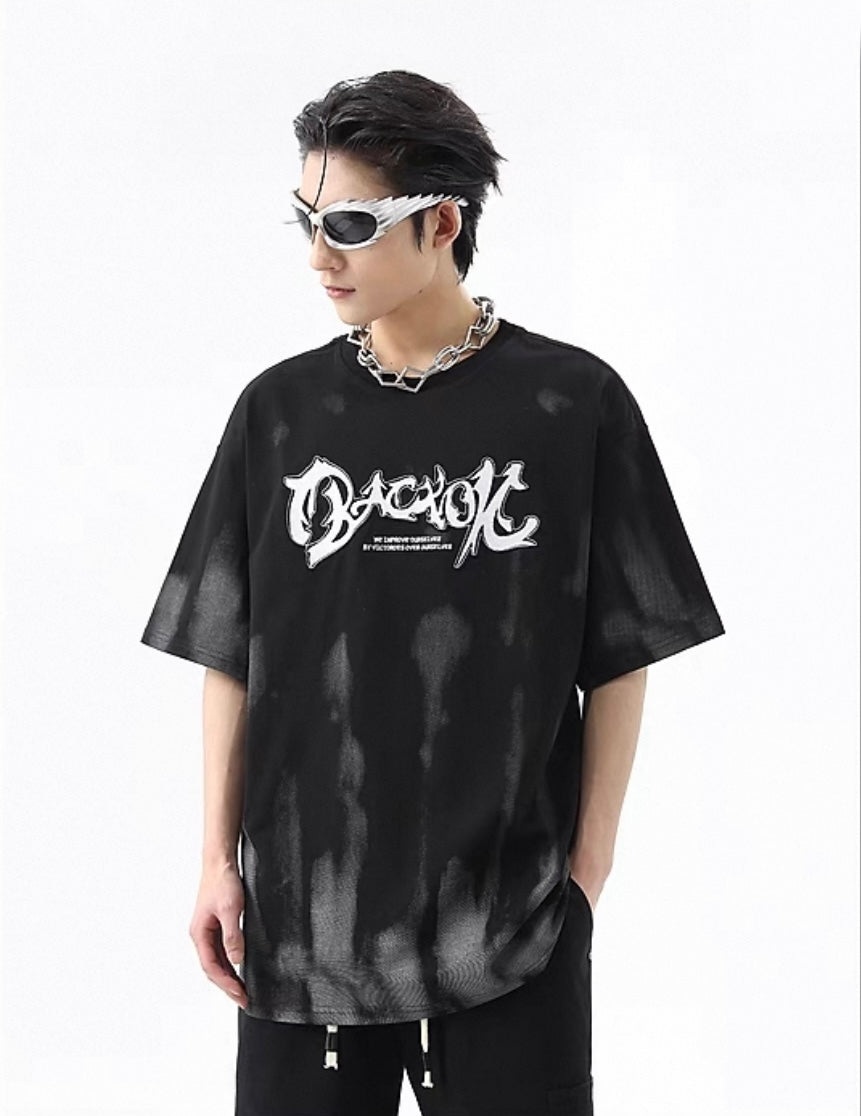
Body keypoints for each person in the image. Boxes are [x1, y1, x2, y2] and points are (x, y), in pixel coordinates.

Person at [140, 69, 725, 1116]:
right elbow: (230, 650)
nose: (318, 256)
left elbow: (622, 648)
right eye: (306, 220)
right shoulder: (279, 414)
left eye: (350, 225)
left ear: (442, 222)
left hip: (509, 921)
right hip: (305, 927)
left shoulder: (571, 403)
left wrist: (586, 873)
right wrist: (215, 861)